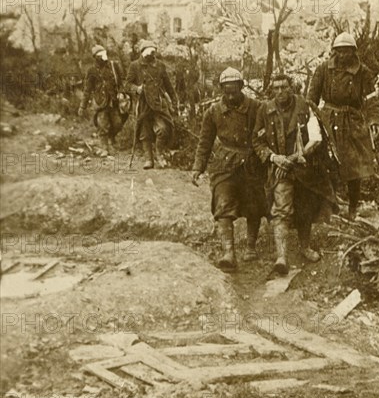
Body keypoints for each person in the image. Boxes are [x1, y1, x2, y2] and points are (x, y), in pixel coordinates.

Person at [253, 73, 338, 275]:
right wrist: (274, 158)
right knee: (281, 209)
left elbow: (316, 139)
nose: (280, 91)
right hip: (279, 169)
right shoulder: (265, 109)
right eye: (276, 88)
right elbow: (257, 141)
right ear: (271, 90)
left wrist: (292, 159)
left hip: (304, 169)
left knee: (306, 209)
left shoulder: (305, 107)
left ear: (291, 87)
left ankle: (305, 247)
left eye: (284, 87)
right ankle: (281, 257)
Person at [189, 67, 267, 271]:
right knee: (223, 203)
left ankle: (250, 246)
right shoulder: (213, 112)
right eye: (226, 91)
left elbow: (266, 135)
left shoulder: (256, 107)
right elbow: (205, 142)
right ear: (222, 90)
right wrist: (198, 167)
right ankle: (228, 253)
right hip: (224, 163)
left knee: (254, 204)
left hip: (251, 162)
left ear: (242, 87)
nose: (230, 95)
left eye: (234, 90)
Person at [307, 32, 379, 220]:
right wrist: (311, 120)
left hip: (352, 121)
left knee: (352, 165)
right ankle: (329, 206)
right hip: (328, 119)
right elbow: (311, 99)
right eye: (339, 51)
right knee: (326, 162)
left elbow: (371, 99)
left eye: (347, 51)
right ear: (334, 52)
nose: (343, 55)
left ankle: (353, 207)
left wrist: (373, 120)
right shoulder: (323, 69)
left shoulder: (362, 72)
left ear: (353, 52)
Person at [124, 40, 178, 169]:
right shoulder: (135, 66)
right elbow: (127, 85)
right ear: (142, 52)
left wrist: (174, 101)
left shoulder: (160, 65)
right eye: (148, 50)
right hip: (143, 104)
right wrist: (137, 89)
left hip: (158, 103)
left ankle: (159, 153)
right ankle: (149, 159)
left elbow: (168, 85)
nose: (151, 53)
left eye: (153, 50)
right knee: (144, 132)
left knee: (163, 129)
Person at [78, 45, 127, 156]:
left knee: (118, 123)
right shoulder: (91, 71)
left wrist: (121, 92)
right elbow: (87, 90)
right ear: (95, 57)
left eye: (104, 54)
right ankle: (104, 147)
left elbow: (122, 80)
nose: (103, 57)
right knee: (103, 125)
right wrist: (82, 106)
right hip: (100, 102)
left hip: (114, 100)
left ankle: (111, 138)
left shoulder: (114, 66)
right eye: (100, 55)